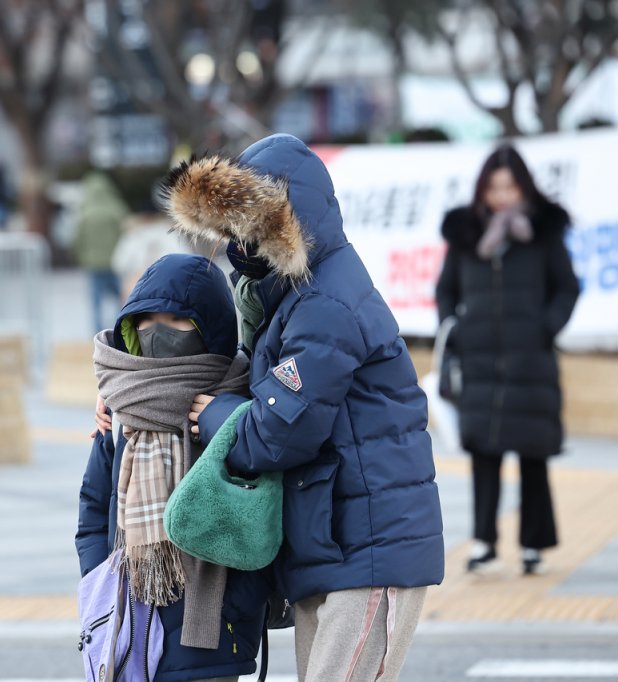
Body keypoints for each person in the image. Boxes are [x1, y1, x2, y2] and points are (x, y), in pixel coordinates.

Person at [164, 135, 444, 682]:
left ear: (286, 220)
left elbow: (280, 433)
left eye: (249, 225)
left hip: (369, 548)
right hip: (334, 547)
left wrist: (218, 417)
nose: (237, 244)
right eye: (230, 229)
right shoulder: (291, 296)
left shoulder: (325, 303)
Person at [77, 253, 272, 682]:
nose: (158, 329)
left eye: (176, 319)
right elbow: (93, 506)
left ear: (210, 327)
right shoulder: (122, 407)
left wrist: (235, 605)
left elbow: (262, 517)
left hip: (212, 636)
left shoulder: (235, 412)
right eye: (147, 319)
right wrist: (98, 581)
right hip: (127, 623)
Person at [435, 144, 580, 576]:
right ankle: (484, 542)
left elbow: (567, 287)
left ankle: (533, 544)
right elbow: (446, 290)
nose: (502, 196)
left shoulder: (543, 232)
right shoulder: (465, 234)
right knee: (484, 453)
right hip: (478, 362)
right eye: (494, 187)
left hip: (530, 362)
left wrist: (545, 328)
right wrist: (454, 327)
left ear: (524, 188)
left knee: (533, 456)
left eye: (509, 187)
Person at [73, 171, 129, 332]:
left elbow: (77, 240)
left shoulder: (84, 212)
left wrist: (80, 258)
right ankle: (122, 330)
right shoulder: (116, 208)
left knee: (96, 302)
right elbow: (127, 232)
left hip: (93, 263)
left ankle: (97, 333)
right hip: (115, 261)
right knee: (121, 298)